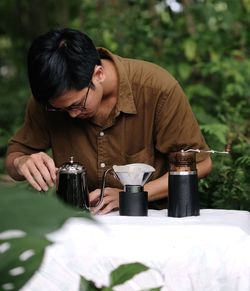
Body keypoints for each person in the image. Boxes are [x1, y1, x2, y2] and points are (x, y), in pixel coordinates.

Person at [5, 28, 212, 214]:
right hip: (81, 224)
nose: (71, 115)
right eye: (60, 109)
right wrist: (21, 162)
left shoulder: (157, 90)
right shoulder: (51, 101)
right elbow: (14, 157)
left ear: (98, 74)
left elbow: (201, 165)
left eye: (77, 105)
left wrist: (130, 195)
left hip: (153, 222)